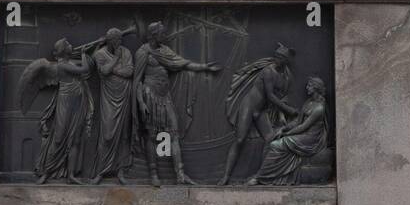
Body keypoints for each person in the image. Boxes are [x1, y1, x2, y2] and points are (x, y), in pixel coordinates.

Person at [132, 21, 220, 185]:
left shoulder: (165, 50)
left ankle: (180, 175)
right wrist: (141, 102)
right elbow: (137, 80)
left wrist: (204, 67)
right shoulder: (143, 52)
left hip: (165, 98)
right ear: (153, 35)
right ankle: (153, 175)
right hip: (150, 96)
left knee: (173, 133)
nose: (165, 36)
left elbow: (182, 63)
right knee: (152, 136)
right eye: (162, 34)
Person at [219, 42, 297, 184]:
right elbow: (271, 96)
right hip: (249, 106)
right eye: (276, 56)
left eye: (280, 58)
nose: (276, 60)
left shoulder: (287, 76)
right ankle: (226, 176)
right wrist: (288, 110)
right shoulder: (268, 71)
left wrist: (282, 114)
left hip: (261, 111)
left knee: (270, 139)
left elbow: (281, 97)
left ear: (285, 60)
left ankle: (261, 176)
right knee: (240, 139)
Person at [247, 77, 330, 186]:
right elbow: (298, 121)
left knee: (276, 145)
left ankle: (260, 177)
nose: (306, 88)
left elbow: (304, 127)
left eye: (309, 86)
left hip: (311, 138)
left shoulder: (319, 108)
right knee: (271, 139)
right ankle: (266, 174)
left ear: (316, 88)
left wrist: (286, 134)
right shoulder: (309, 102)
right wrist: (284, 128)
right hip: (302, 134)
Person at [33, 38, 93, 183]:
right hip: (66, 104)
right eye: (69, 45)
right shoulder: (62, 65)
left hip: (78, 105)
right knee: (58, 139)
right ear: (64, 51)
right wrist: (85, 54)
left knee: (75, 139)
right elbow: (84, 69)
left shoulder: (69, 63)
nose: (72, 45)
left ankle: (71, 175)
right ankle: (46, 172)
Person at [90, 28, 134, 184]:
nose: (120, 43)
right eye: (117, 40)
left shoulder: (126, 52)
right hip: (109, 98)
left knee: (123, 134)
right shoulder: (99, 54)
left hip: (124, 95)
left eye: (121, 40)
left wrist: (113, 70)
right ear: (110, 41)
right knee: (107, 135)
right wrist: (115, 60)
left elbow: (129, 72)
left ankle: (121, 171)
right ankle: (101, 171)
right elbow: (104, 71)